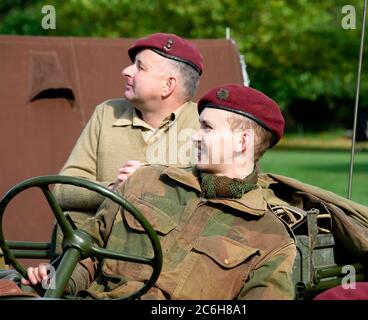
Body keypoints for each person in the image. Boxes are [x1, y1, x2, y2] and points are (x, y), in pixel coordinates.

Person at [23, 84, 297, 300]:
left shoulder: (271, 238)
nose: (195, 135)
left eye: (208, 128)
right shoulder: (146, 181)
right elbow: (90, 250)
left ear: (243, 141)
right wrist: (58, 280)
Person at [51, 32, 204, 229]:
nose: (126, 71)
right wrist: (114, 190)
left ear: (168, 85)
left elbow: (225, 193)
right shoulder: (106, 113)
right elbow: (63, 190)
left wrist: (154, 182)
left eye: (140, 67)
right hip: (103, 251)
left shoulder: (207, 123)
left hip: (171, 256)